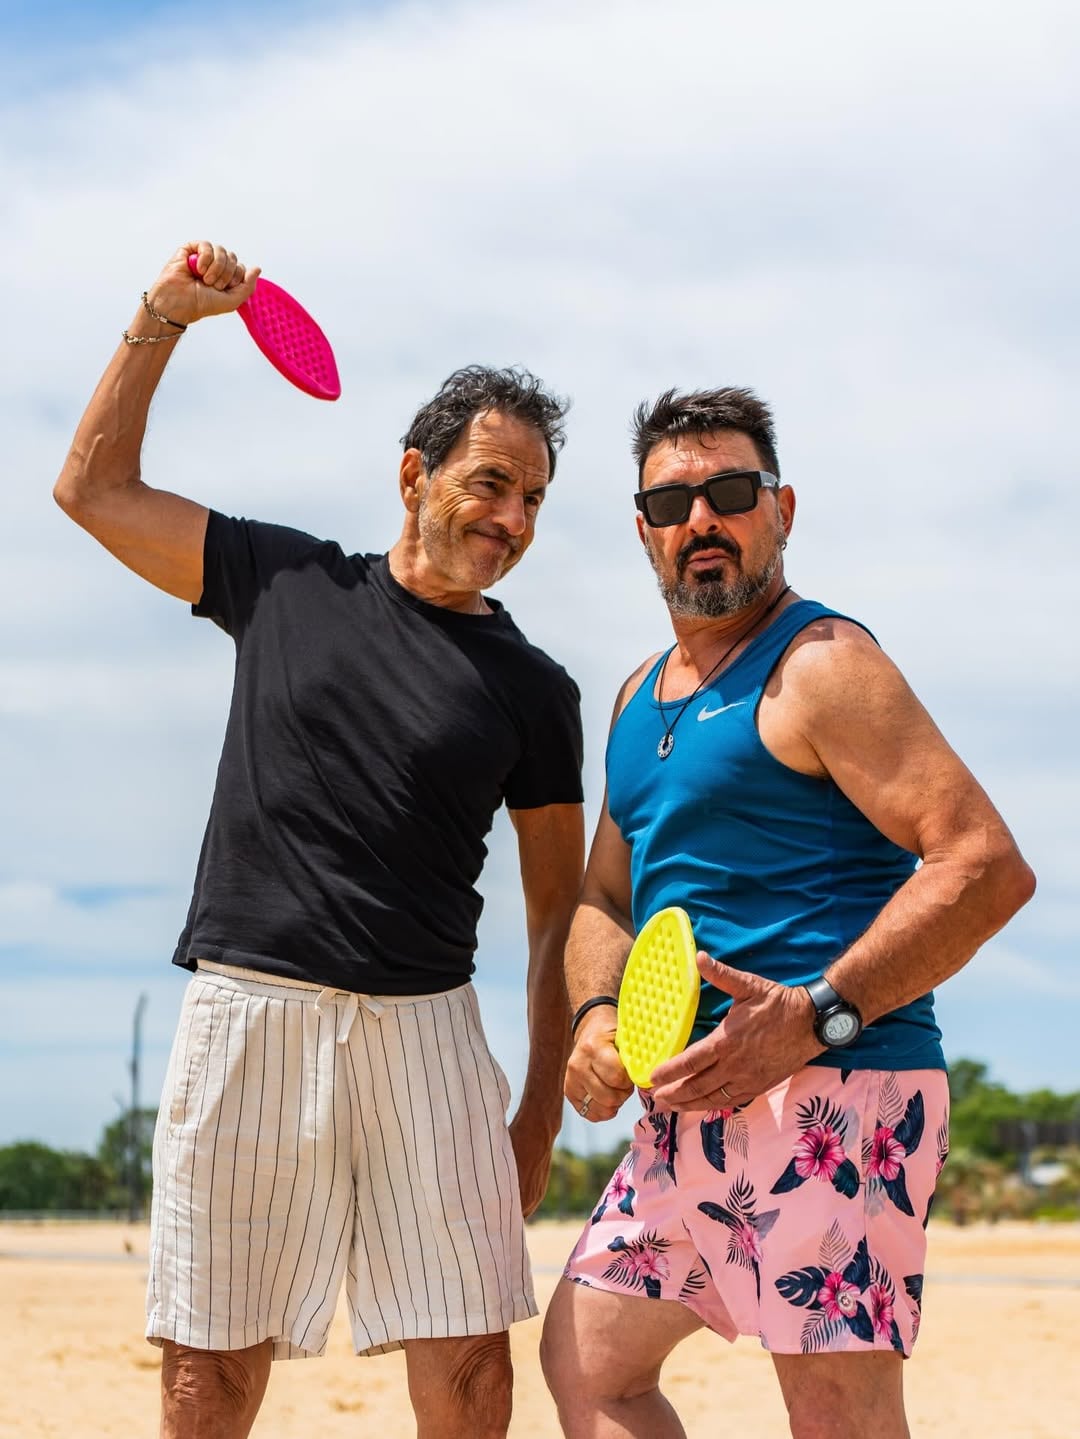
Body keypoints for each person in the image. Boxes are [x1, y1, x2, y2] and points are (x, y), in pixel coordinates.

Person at [54, 241, 585, 1439]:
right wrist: (164, 318)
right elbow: (92, 490)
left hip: (430, 1034)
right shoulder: (282, 579)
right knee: (207, 1379)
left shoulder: (535, 689)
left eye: (534, 499)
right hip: (251, 1012)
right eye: (491, 482)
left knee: (475, 1377)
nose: (511, 518)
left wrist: (540, 1111)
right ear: (413, 474)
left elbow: (560, 910)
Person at [539, 387, 1035, 1439]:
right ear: (643, 530)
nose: (700, 520)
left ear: (783, 509)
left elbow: (986, 864)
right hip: (690, 1101)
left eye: (730, 492)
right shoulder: (636, 697)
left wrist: (817, 1014)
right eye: (670, 503)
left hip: (840, 1091)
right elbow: (603, 897)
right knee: (588, 1360)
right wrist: (594, 1014)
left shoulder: (824, 664)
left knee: (837, 1416)